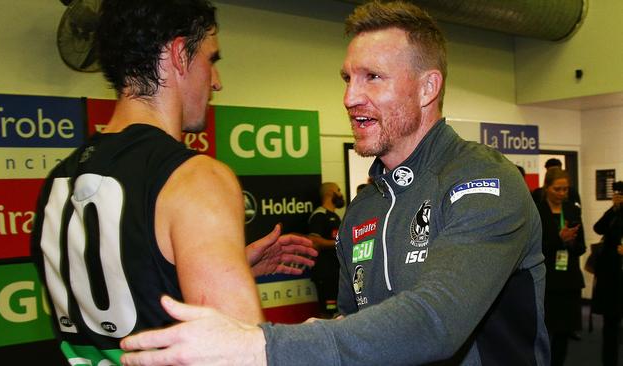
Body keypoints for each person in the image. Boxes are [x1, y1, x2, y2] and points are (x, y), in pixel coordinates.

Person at [119, 2, 549, 365]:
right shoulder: (363, 209)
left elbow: (436, 321)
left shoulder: (481, 182)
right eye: (347, 78)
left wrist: (262, 347)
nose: (349, 98)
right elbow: (356, 329)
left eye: (373, 77)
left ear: (427, 88)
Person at [30, 0, 316, 364]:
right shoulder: (196, 178)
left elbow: (125, 296)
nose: (217, 82)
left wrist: (227, 266)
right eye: (211, 60)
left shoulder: (59, 182)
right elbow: (237, 359)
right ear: (180, 54)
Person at [535, 168, 585, 366]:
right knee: (544, 330)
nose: (562, 193)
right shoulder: (537, 211)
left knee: (564, 332)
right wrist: (559, 239)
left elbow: (581, 247)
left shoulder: (573, 210)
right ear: (547, 188)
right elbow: (535, 248)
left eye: (565, 189)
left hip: (568, 279)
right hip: (546, 280)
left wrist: (571, 243)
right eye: (558, 189)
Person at [592, 181, 623, 366]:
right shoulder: (614, 213)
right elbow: (598, 228)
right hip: (612, 277)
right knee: (610, 324)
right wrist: (613, 209)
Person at [308, 182, 344, 317]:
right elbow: (314, 241)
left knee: (336, 310)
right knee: (328, 311)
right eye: (338, 190)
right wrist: (338, 243)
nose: (341, 194)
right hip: (325, 272)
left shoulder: (336, 216)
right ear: (330, 192)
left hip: (336, 272)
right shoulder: (319, 215)